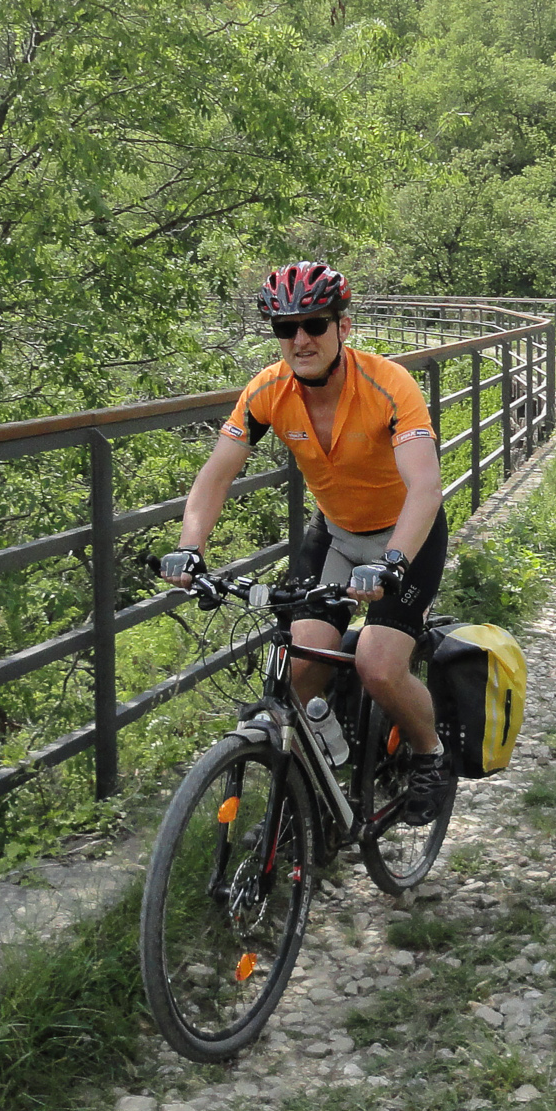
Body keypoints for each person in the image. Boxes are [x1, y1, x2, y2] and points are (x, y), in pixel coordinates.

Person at [159, 262, 455, 824]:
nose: (300, 339)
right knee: (296, 670)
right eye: (285, 327)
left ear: (342, 326)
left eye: (314, 324)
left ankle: (429, 754)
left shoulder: (389, 385)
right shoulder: (267, 391)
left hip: (404, 540)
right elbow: (216, 474)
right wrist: (191, 546)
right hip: (337, 536)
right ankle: (317, 769)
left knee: (378, 665)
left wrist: (393, 562)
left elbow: (425, 485)